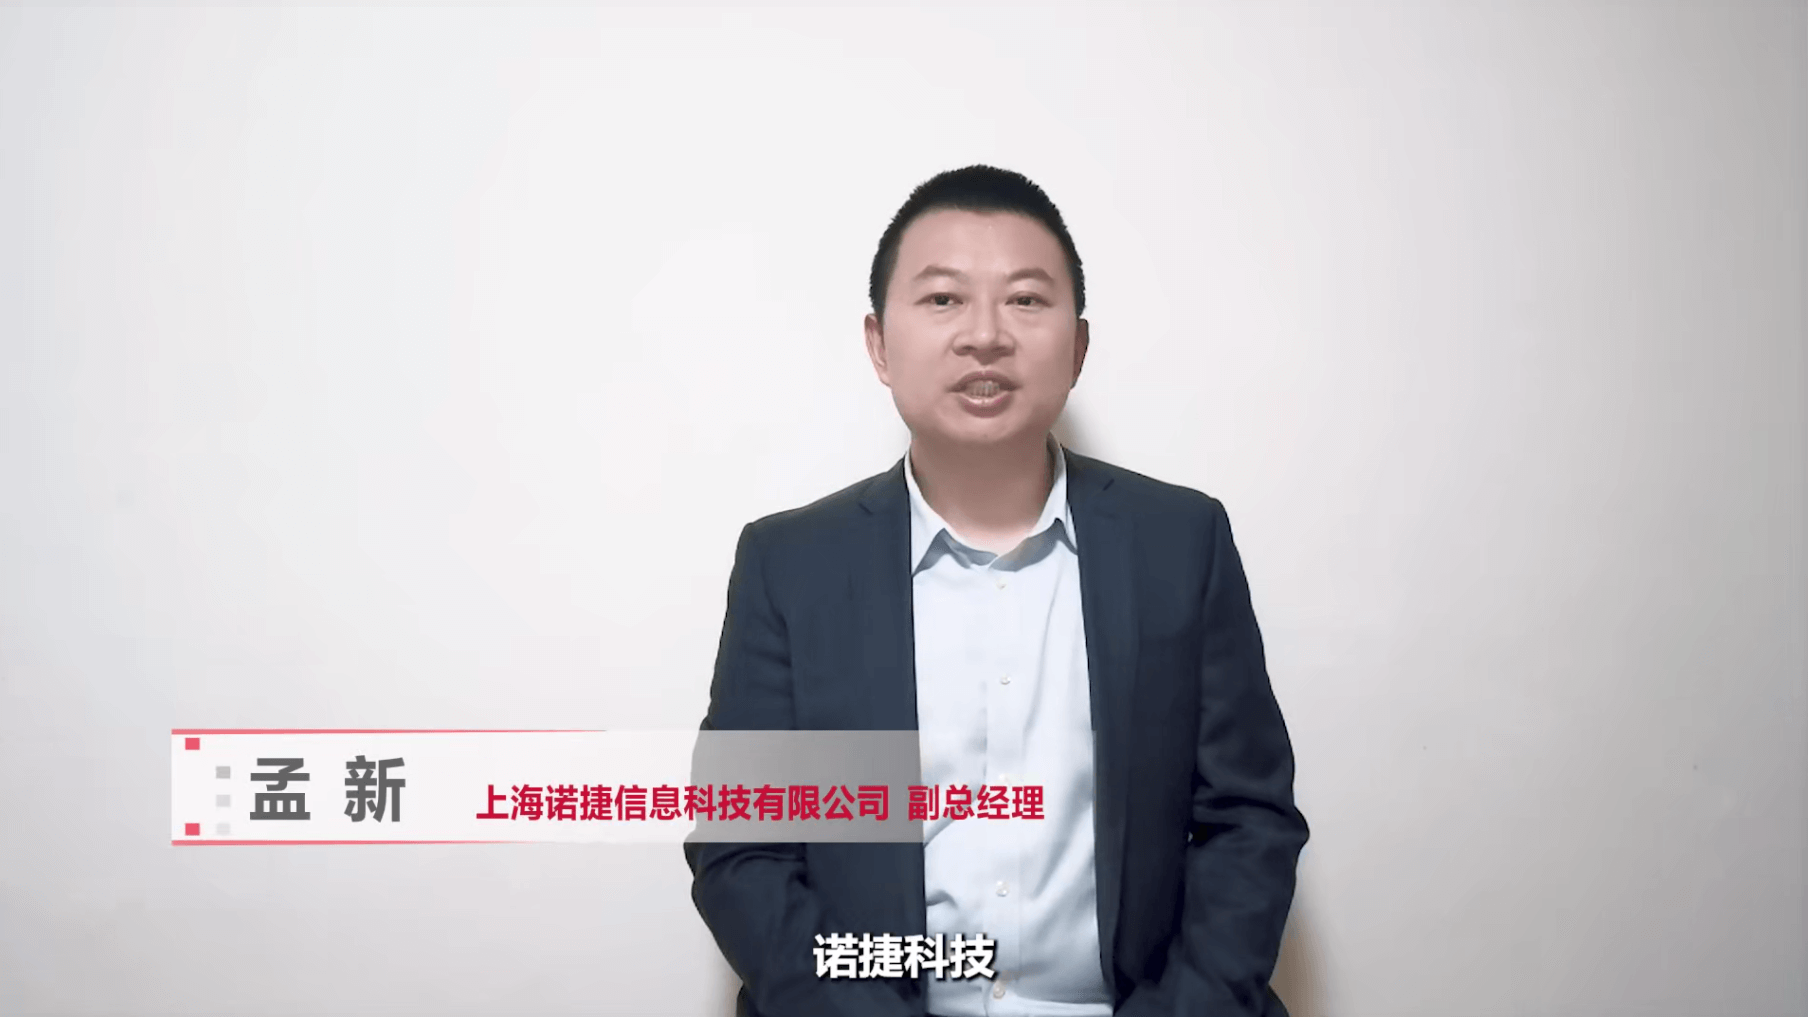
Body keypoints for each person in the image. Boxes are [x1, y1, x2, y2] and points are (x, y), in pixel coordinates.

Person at [685, 165, 1309, 1017]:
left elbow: (1248, 822)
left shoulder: (1180, 542)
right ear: (879, 343)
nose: (985, 335)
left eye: (1025, 299)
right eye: (943, 299)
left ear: (1077, 347)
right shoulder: (791, 564)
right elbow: (743, 848)